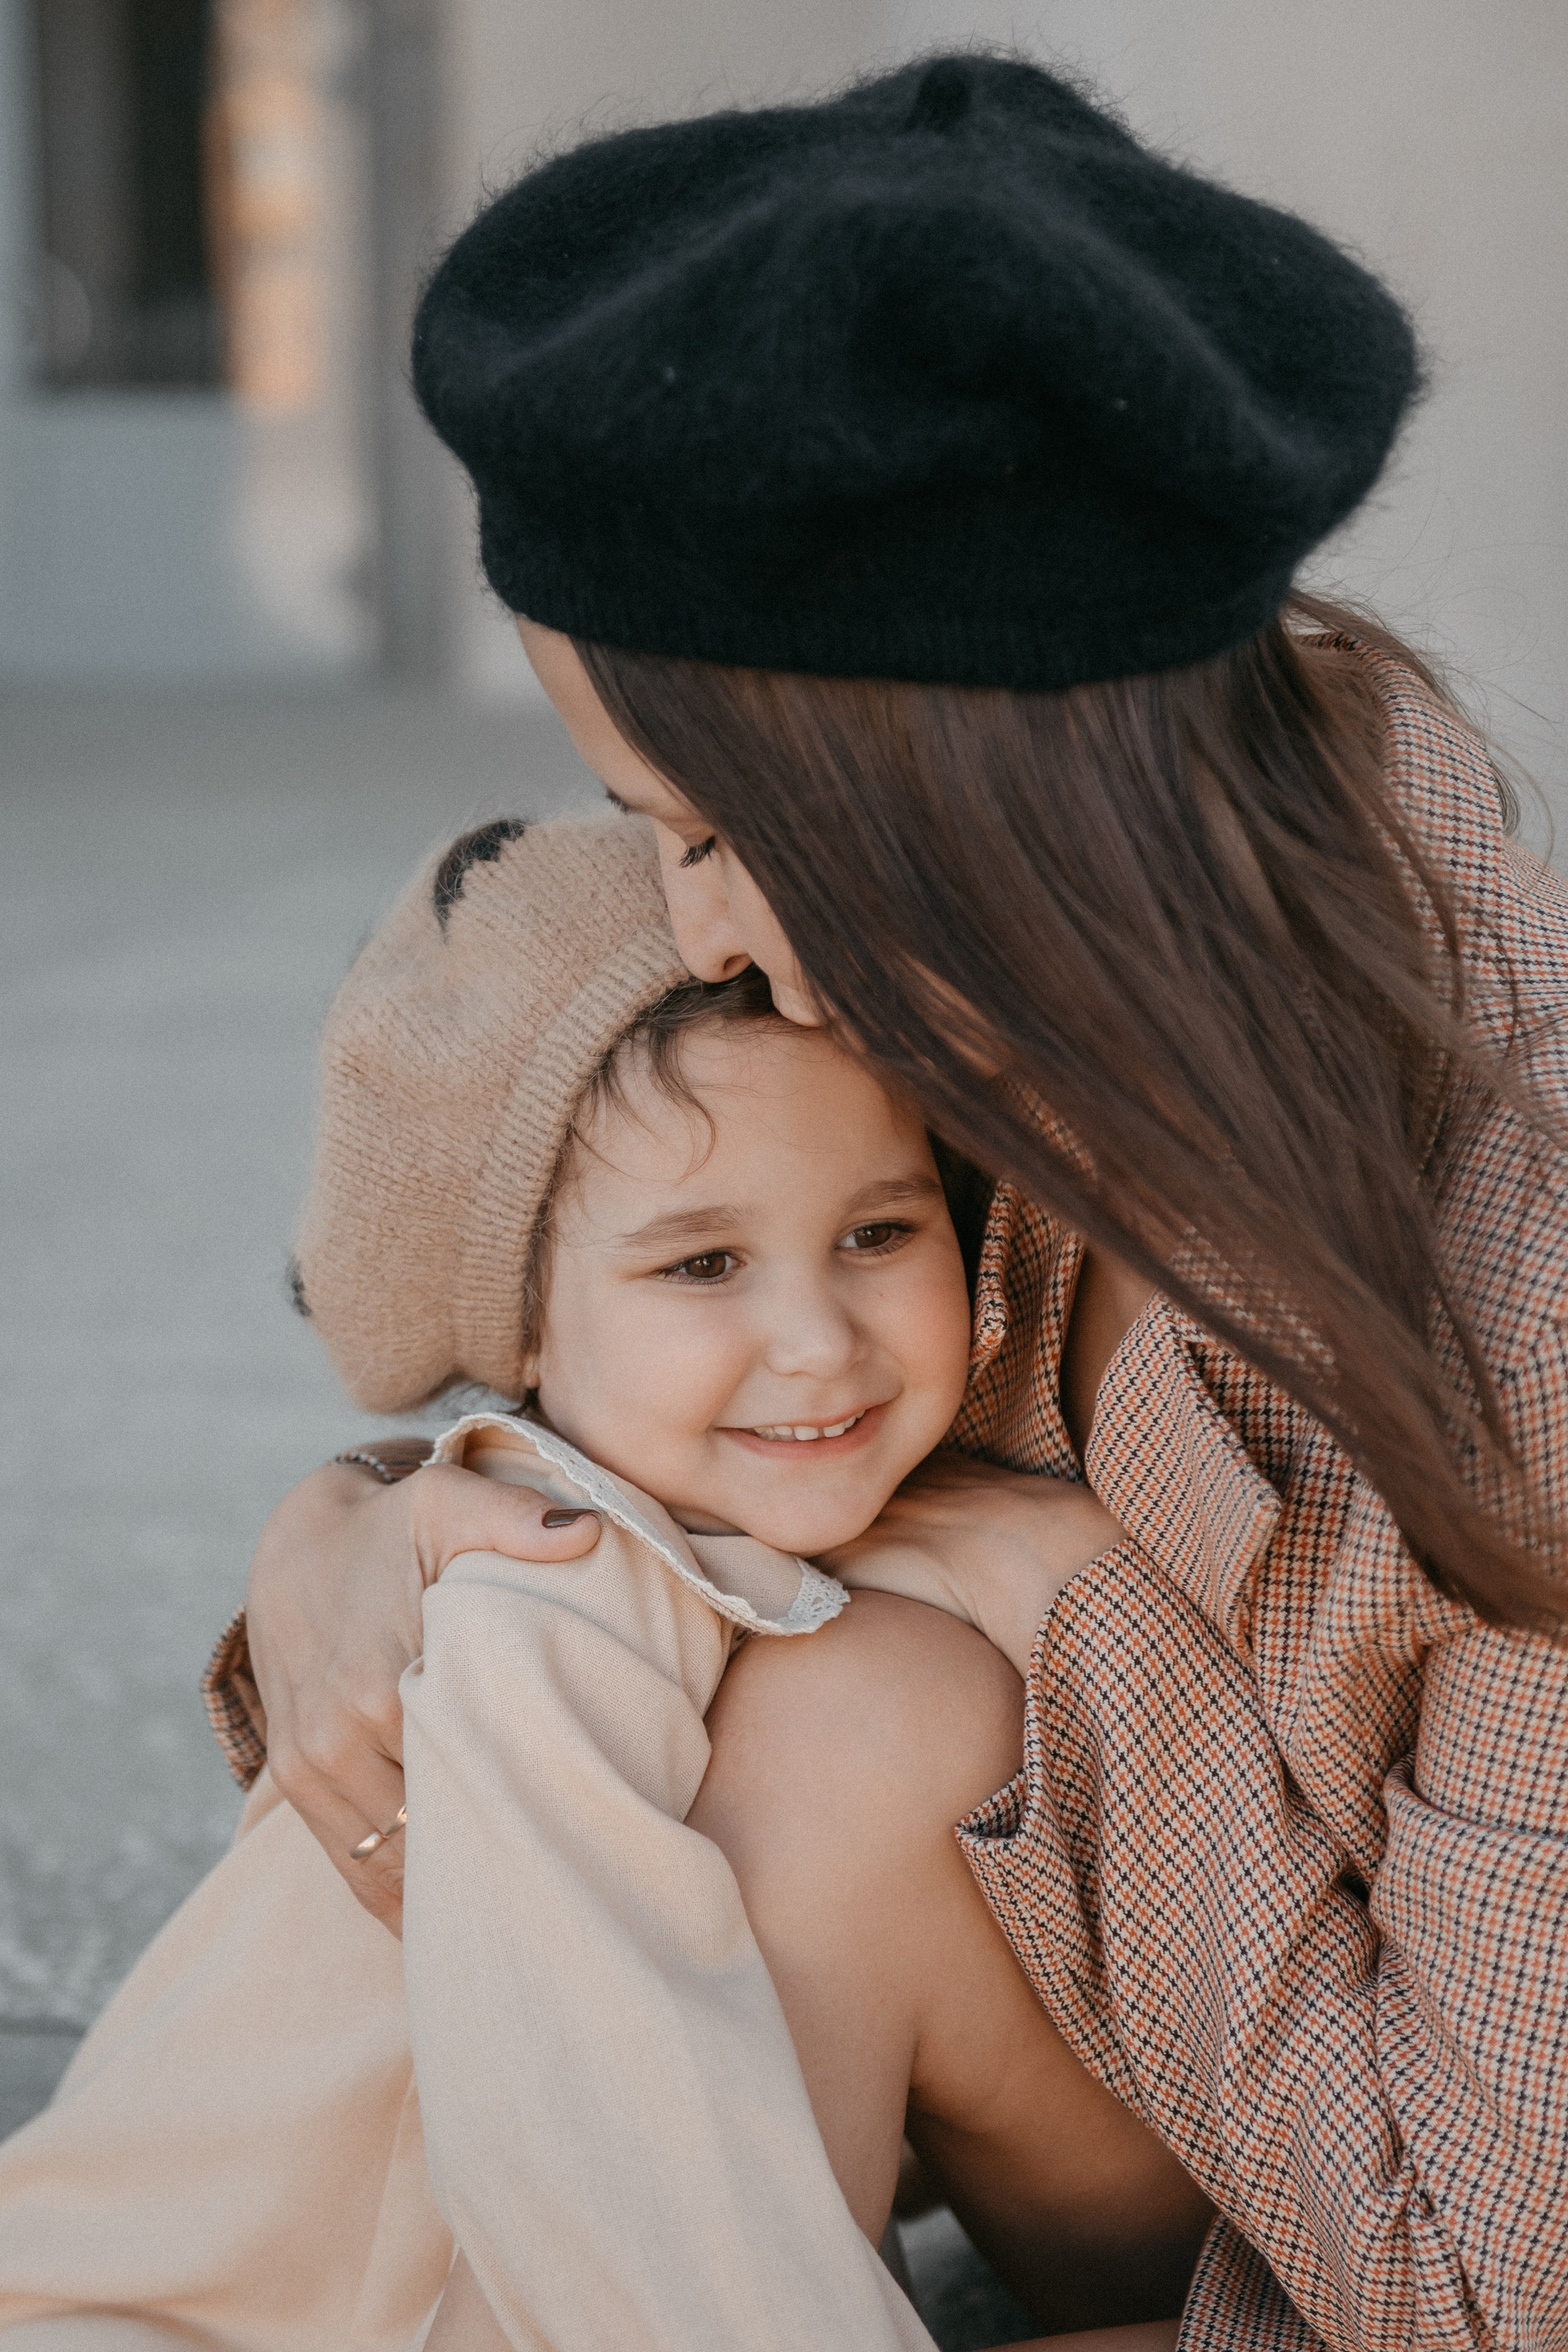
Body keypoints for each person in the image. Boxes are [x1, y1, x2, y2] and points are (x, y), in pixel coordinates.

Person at [188, 50, 1568, 2352]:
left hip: (1392, 2245)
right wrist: (358, 1527)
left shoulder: (1507, 1299)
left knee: (851, 1729)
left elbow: (1487, 2287)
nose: (704, 933)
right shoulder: (948, 1056)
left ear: (959, 826)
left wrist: (1071, 1601)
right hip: (1138, 2090)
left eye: (717, 833)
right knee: (630, 1653)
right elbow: (654, 1374)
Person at [0, 810, 1054, 2350]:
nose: (819, 1340)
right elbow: (601, 2134)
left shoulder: (744, 1527)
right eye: (702, 1265)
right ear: (530, 1338)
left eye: (878, 1232)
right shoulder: (544, 1584)